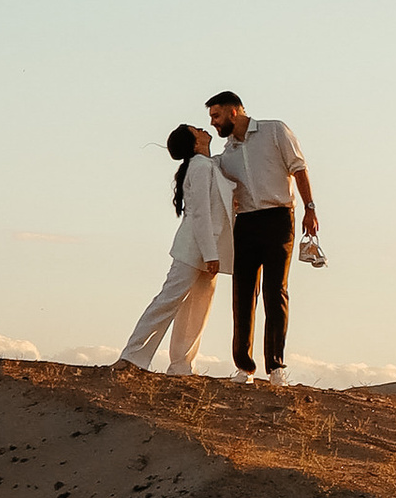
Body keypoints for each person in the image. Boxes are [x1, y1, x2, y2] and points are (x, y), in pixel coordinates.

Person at [207, 88, 319, 381]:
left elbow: (299, 168)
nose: (213, 123)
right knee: (243, 294)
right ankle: (244, 366)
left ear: (234, 111)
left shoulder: (275, 131)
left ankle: (276, 366)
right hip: (244, 223)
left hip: (279, 217)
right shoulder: (224, 155)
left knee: (275, 291)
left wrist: (310, 208)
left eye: (216, 116)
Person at [115, 123, 233, 373]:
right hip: (194, 248)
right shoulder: (200, 167)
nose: (202, 129)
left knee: (198, 306)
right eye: (196, 130)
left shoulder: (208, 165)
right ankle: (132, 356)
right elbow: (200, 213)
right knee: (169, 300)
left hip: (208, 247)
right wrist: (211, 254)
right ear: (194, 143)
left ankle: (182, 364)